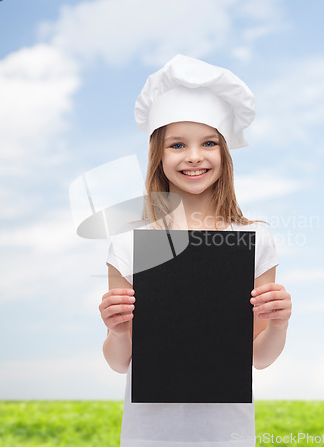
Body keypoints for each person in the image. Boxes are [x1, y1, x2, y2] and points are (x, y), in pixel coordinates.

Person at [98, 54, 292, 447]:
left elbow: (258, 358)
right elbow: (121, 362)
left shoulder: (254, 240)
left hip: (226, 432)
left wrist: (279, 322)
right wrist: (116, 330)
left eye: (208, 142)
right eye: (177, 145)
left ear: (224, 153)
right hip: (149, 432)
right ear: (159, 154)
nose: (193, 157)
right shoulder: (127, 243)